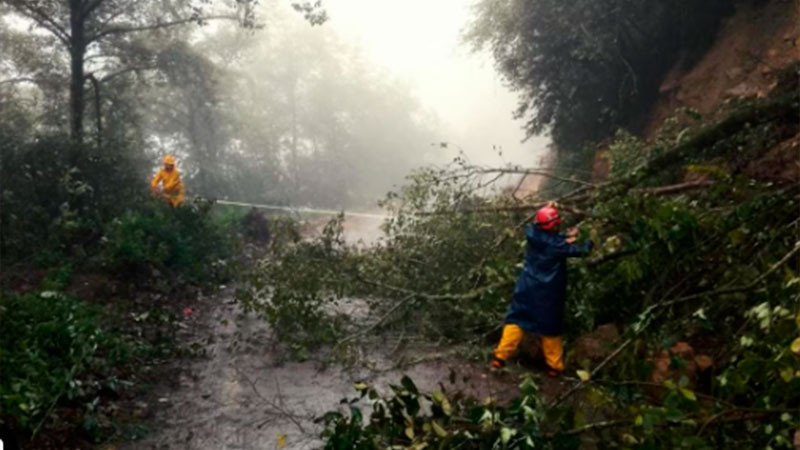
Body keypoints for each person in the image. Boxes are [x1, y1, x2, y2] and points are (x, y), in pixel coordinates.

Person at [491, 202, 593, 376]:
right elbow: (582, 250)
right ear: (553, 226)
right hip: (548, 293)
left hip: (526, 287)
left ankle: (499, 358)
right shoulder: (556, 246)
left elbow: (552, 238)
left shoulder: (532, 233)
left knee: (516, 320)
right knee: (550, 327)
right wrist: (590, 239)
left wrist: (549, 214)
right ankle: (554, 367)